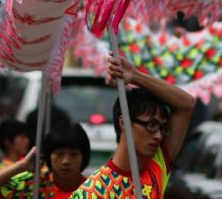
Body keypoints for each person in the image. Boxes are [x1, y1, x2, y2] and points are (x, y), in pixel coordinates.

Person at [70, 54, 195, 199]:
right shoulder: (91, 192)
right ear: (124, 123)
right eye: (152, 125)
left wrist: (135, 76)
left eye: (162, 128)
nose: (158, 135)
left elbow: (186, 105)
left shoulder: (157, 166)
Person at [0, 123, 90, 199]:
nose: (66, 161)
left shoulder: (93, 190)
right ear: (48, 156)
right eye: (59, 154)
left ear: (83, 157)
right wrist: (21, 166)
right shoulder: (33, 184)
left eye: (74, 155)